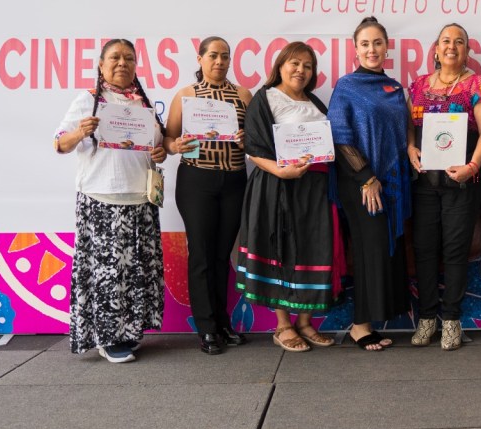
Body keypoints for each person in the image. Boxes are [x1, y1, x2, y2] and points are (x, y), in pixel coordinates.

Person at [53, 38, 167, 363]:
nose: (122, 63)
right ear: (101, 65)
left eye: (129, 58)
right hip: (102, 199)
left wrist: (159, 151)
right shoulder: (88, 101)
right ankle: (107, 337)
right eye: (114, 58)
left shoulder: (143, 104)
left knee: (134, 271)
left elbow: (156, 145)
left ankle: (129, 332)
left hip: (140, 199)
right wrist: (79, 132)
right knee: (107, 271)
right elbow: (59, 144)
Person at [236, 41, 341, 352]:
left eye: (307, 66)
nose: (301, 70)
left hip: (314, 190)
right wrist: (281, 172)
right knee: (279, 250)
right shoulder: (265, 99)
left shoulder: (316, 104)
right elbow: (253, 147)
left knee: (313, 250)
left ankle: (306, 323)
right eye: (294, 63)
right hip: (276, 187)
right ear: (280, 65)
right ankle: (283, 325)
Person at [407, 23, 481, 350]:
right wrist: (410, 148)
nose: (451, 46)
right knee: (425, 249)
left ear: (467, 51)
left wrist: (473, 165)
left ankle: (451, 321)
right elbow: (410, 127)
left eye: (459, 42)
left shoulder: (479, 84)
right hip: (424, 183)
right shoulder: (417, 86)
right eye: (446, 41)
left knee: (455, 251)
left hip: (462, 181)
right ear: (435, 49)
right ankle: (427, 317)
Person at [328, 17, 412, 351]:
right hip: (360, 182)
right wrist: (366, 178)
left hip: (390, 183)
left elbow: (402, 133)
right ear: (355, 49)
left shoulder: (395, 88)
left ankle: (369, 321)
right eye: (365, 44)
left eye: (377, 43)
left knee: (384, 251)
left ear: (387, 46)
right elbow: (340, 136)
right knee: (367, 250)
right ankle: (359, 326)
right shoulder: (346, 86)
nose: (372, 49)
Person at [164, 36, 252, 355]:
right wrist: (176, 146)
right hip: (196, 179)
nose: (219, 61)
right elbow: (169, 139)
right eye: (213, 55)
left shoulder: (243, 95)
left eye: (225, 56)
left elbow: (257, 142)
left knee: (221, 255)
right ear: (200, 59)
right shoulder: (186, 95)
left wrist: (246, 141)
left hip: (233, 180)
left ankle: (222, 321)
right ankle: (206, 327)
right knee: (201, 253)